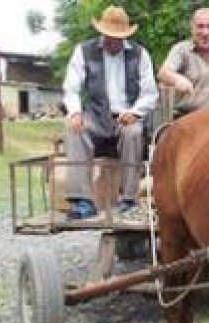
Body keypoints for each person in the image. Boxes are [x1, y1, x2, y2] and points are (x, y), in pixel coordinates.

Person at [62, 5, 158, 219]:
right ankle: (83, 201)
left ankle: (128, 198)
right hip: (96, 115)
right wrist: (75, 112)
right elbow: (71, 87)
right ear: (102, 33)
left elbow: (150, 93)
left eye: (118, 37)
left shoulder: (140, 54)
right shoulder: (84, 51)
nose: (113, 41)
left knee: (133, 132)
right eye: (109, 36)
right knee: (75, 129)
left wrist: (136, 112)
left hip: (127, 117)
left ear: (125, 36)